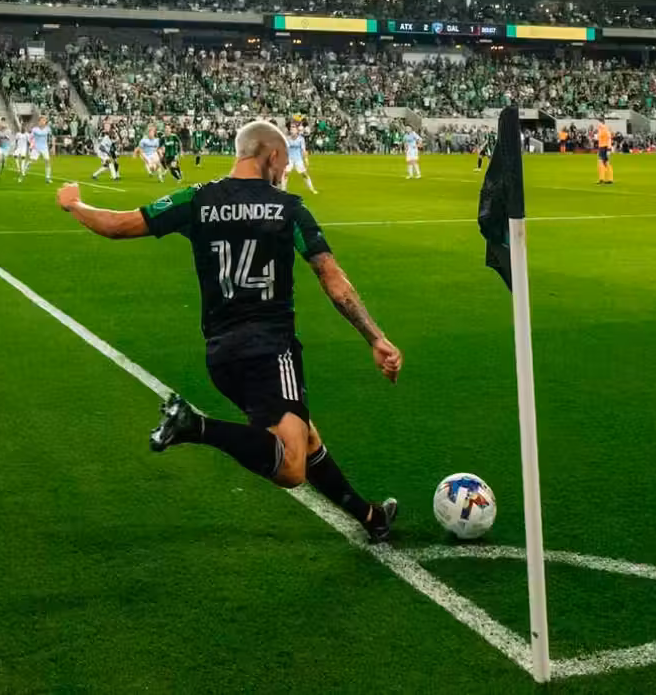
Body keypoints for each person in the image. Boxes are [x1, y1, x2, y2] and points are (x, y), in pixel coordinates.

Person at [54, 118, 401, 543]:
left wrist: (74, 204)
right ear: (271, 154)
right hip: (272, 348)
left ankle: (370, 518)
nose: (284, 170)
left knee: (304, 437)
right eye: (284, 160)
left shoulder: (198, 199)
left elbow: (117, 225)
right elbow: (332, 278)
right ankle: (193, 426)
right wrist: (375, 336)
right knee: (291, 465)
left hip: (222, 355)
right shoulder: (288, 207)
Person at [284, 122, 317, 195]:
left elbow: (303, 150)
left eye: (293, 127)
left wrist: (306, 159)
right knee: (285, 174)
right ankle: (283, 190)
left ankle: (312, 189)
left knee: (304, 174)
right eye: (291, 128)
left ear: (297, 130)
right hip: (289, 159)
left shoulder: (301, 139)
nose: (292, 129)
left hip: (298, 159)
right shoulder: (287, 138)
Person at [30, 113, 53, 182]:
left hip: (44, 147)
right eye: (42, 120)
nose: (44, 122)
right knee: (32, 161)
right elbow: (30, 138)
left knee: (47, 161)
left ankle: (48, 177)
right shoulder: (35, 129)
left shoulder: (48, 129)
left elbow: (51, 137)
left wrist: (52, 146)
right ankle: (24, 171)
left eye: (45, 120)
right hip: (36, 148)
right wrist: (31, 145)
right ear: (39, 121)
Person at [594, 118, 615, 185]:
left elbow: (609, 139)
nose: (597, 124)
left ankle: (604, 179)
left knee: (603, 162)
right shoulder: (600, 129)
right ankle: (606, 179)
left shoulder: (605, 129)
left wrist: (609, 149)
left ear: (601, 122)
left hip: (605, 147)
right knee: (604, 163)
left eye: (598, 122)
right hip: (601, 147)